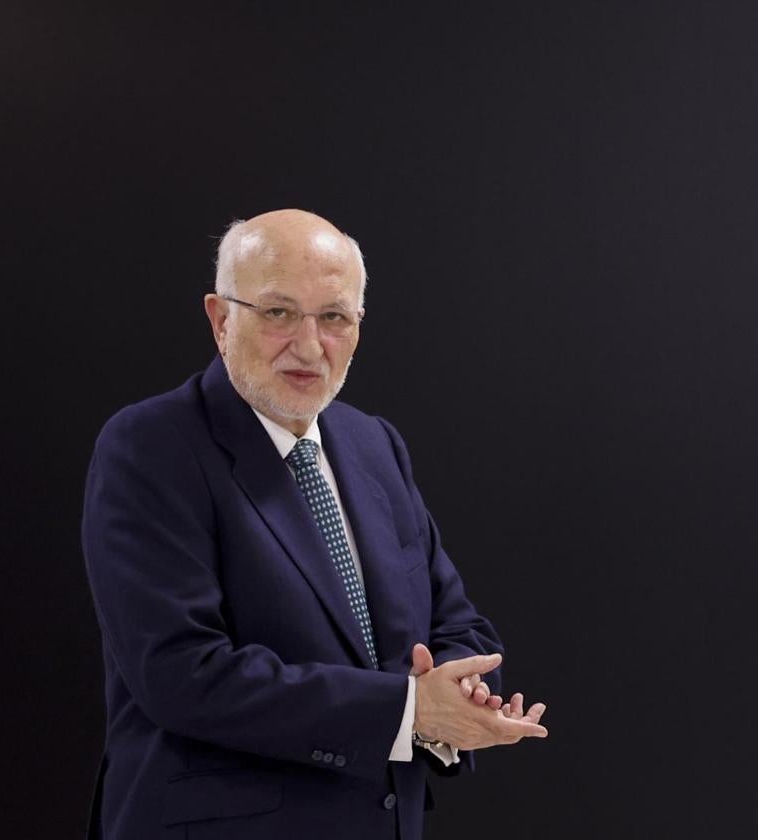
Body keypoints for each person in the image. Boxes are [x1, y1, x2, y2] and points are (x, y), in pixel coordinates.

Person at [82, 209, 547, 840]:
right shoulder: (150, 447)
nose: (309, 345)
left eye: (333, 317)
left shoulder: (373, 444)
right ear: (221, 320)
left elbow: (457, 622)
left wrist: (463, 693)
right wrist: (410, 712)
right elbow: (181, 675)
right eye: (278, 313)